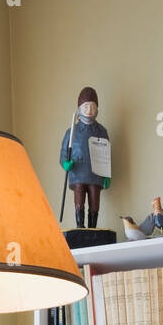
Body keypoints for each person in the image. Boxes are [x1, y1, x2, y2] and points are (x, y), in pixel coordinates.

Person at [60, 87, 111, 229]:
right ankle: (80, 226)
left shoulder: (102, 131)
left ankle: (93, 228)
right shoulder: (72, 131)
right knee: (79, 202)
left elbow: (106, 154)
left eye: (93, 106)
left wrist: (107, 175)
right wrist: (65, 163)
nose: (89, 110)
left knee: (95, 203)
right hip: (78, 174)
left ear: (97, 108)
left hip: (96, 173)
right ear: (79, 109)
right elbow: (64, 152)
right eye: (86, 106)